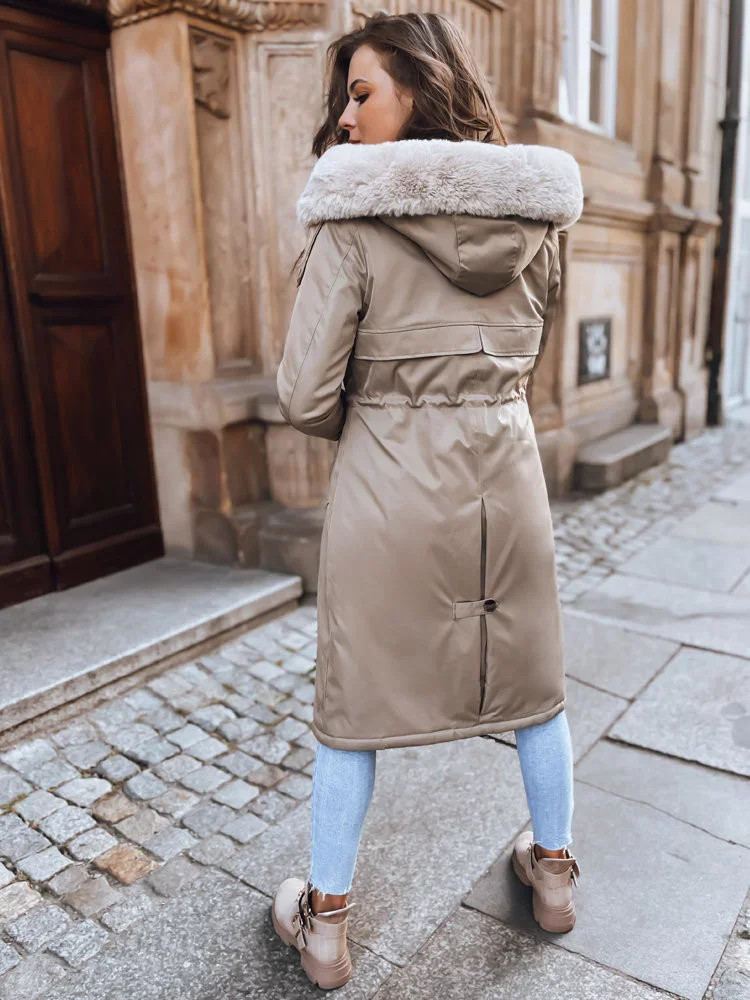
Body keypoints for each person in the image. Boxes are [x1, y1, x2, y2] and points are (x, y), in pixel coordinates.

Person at [271, 10, 584, 990]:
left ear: (420, 87)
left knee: (352, 707)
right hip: (507, 486)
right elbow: (530, 360)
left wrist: (382, 418)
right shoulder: (536, 221)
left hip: (387, 498)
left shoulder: (353, 225)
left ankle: (325, 926)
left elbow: (303, 396)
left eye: (361, 93)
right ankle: (556, 877)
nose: (346, 118)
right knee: (536, 689)